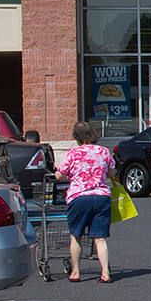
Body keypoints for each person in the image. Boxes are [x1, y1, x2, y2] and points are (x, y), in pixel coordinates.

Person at [54, 121, 117, 283]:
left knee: (76, 236)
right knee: (100, 238)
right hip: (101, 196)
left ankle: (75, 272)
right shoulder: (103, 151)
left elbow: (60, 175)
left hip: (79, 197)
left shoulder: (72, 154)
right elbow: (112, 172)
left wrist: (57, 174)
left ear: (76, 137)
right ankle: (105, 273)